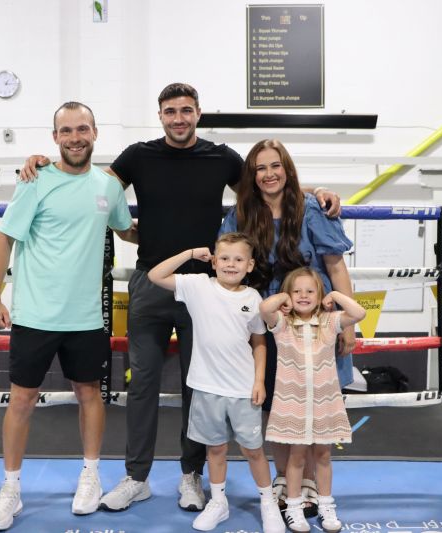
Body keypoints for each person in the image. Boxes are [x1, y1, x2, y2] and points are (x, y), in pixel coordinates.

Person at [19, 83, 341, 513]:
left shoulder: (221, 157)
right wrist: (43, 163)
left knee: (200, 387)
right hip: (153, 283)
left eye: (186, 110)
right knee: (142, 384)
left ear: (198, 113)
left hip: (209, 291)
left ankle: (192, 475)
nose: (178, 118)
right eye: (170, 111)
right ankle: (137, 477)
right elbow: (91, 181)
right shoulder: (138, 155)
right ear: (160, 115)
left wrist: (315, 192)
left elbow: (269, 182)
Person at [0, 101, 133, 530]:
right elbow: (3, 242)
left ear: (95, 132)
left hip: (85, 317)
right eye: (65, 131)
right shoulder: (36, 180)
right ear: (54, 138)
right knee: (22, 401)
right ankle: (10, 489)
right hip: (33, 314)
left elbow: (127, 229)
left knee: (90, 395)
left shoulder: (107, 186)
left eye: (82, 128)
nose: (74, 137)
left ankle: (91, 475)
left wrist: (182, 232)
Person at [218, 139, 355, 519]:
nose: (269, 174)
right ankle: (285, 478)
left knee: (314, 400)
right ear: (252, 175)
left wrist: (347, 326)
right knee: (279, 404)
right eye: (260, 168)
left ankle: (310, 479)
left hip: (314, 322)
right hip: (267, 322)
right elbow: (228, 267)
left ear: (287, 169)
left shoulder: (311, 208)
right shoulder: (242, 213)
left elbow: (336, 266)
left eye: (275, 166)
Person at [147, 232, 285, 533]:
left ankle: (267, 503)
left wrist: (259, 380)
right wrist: (190, 252)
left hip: (243, 388)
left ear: (249, 265)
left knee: (253, 450)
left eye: (238, 259)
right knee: (216, 450)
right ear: (214, 261)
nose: (230, 264)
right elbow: (156, 275)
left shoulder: (252, 298)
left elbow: (259, 343)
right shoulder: (198, 286)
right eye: (224, 258)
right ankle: (218, 501)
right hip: (207, 387)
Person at [259, 267, 366, 533]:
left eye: (310, 291)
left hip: (324, 403)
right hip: (292, 404)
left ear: (319, 295)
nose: (303, 296)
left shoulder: (330, 322)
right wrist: (284, 296)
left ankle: (327, 505)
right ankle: (294, 508)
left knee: (323, 455)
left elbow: (359, 313)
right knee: (296, 457)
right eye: (297, 291)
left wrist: (335, 295)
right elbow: (264, 308)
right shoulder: (282, 324)